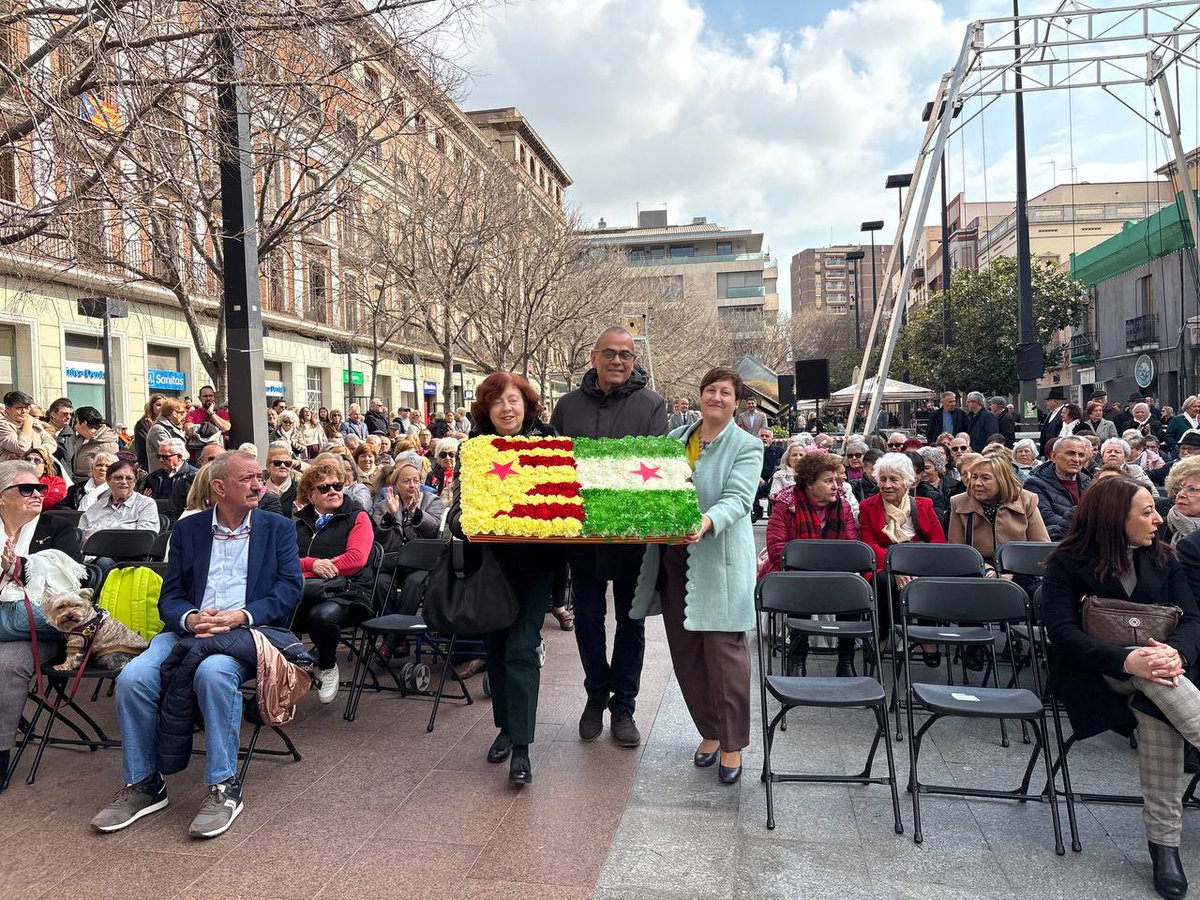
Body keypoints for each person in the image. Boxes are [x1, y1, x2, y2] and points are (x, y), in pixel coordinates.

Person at [90, 451, 303, 838]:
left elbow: (289, 590)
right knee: (132, 679)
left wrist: (240, 616)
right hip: (188, 632)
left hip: (246, 633)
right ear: (219, 487)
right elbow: (170, 597)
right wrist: (190, 618)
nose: (259, 485)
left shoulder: (278, 528)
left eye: (259, 477)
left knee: (214, 674)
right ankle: (144, 783)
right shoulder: (189, 530)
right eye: (248, 479)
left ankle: (224, 787)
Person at [1045, 478, 1200, 900]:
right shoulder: (1067, 562)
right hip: (1093, 673)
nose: (1157, 519)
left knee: (1158, 706)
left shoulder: (1164, 558)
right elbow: (1062, 633)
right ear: (1115, 518)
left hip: (1159, 675)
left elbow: (1192, 619)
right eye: (1147, 512)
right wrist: (1127, 660)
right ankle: (1164, 848)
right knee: (1155, 676)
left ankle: (1165, 850)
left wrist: (1177, 655)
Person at [631, 367, 759, 783]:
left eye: (726, 392)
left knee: (724, 656)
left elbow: (739, 498)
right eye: (710, 390)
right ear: (700, 395)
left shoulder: (747, 445)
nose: (716, 397)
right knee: (686, 654)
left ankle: (732, 744)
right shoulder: (675, 439)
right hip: (674, 560)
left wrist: (706, 521)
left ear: (736, 402)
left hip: (719, 561)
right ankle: (710, 730)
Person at [551, 325, 667, 748]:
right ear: (594, 357)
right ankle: (596, 694)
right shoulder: (567, 406)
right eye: (609, 353)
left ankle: (624, 706)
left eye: (625, 354)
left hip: (631, 535)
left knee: (631, 623)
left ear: (634, 360)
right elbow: (556, 467)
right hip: (582, 537)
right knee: (587, 619)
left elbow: (652, 465)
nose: (617, 360)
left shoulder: (652, 404)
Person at [447, 372, 563, 785]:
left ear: (527, 404)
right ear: (486, 409)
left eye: (513, 399)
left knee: (521, 647)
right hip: (489, 566)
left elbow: (565, 501)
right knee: (496, 648)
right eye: (496, 401)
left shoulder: (550, 442)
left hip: (536, 565)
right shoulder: (473, 449)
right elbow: (456, 509)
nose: (506, 408)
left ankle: (522, 748)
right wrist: (470, 521)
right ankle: (506, 728)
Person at [0, 460, 84, 779]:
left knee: (6, 665)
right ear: (1, 496)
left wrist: (19, 567)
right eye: (27, 488)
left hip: (42, 626)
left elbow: (71, 587)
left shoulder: (56, 528)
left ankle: (0, 752)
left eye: (40, 487)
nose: (38, 493)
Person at [763, 451, 860, 676]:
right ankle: (798, 657)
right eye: (828, 481)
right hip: (795, 574)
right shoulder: (785, 506)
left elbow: (851, 549)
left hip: (834, 574)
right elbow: (777, 551)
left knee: (855, 586)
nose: (836, 486)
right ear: (809, 483)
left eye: (836, 480)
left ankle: (846, 658)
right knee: (800, 585)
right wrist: (812, 567)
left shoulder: (843, 506)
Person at [292, 461, 374, 704]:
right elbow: (283, 560)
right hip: (306, 590)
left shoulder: (357, 517)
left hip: (348, 591)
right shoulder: (299, 523)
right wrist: (312, 564)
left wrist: (319, 568)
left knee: (322, 616)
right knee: (275, 609)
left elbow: (356, 559)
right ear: (310, 495)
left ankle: (327, 666)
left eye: (337, 485)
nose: (333, 491)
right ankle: (291, 666)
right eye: (324, 488)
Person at [857, 452, 947, 664]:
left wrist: (912, 567)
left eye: (894, 479)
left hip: (920, 564)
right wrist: (896, 568)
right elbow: (870, 545)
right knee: (883, 582)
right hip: (883, 566)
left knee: (924, 582)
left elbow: (938, 543)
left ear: (907, 481)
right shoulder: (868, 506)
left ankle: (926, 637)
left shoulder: (924, 505)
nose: (887, 485)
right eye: (883, 479)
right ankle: (882, 633)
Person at [948, 454, 1049, 570]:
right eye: (974, 477)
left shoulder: (1026, 500)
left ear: (1002, 480)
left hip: (1021, 568)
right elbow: (957, 551)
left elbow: (1040, 548)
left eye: (985, 478)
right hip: (976, 569)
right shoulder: (959, 502)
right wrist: (985, 568)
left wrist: (1012, 570)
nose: (977, 483)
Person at [1024, 435, 1092, 540]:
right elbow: (1046, 518)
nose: (1076, 459)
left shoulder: (1089, 481)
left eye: (1081, 455)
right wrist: (1084, 528)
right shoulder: (1034, 483)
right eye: (1070, 453)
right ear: (1054, 456)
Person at [79, 460, 159, 541]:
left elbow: (144, 538)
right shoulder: (95, 508)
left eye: (129, 478)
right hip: (91, 548)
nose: (124, 482)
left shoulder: (145, 504)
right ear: (108, 480)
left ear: (135, 482)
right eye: (118, 478)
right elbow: (79, 537)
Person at [142, 438, 197, 513]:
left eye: (165, 457)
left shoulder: (194, 476)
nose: (161, 460)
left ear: (179, 457)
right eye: (159, 456)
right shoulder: (153, 477)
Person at [0, 391, 57, 462]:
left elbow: (51, 442)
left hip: (36, 467)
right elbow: (21, 447)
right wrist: (28, 423)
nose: (24, 411)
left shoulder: (34, 423)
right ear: (7, 409)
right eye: (19, 408)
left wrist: (37, 452)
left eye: (27, 408)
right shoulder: (3, 425)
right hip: (12, 467)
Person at [184, 385, 231, 462]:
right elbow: (189, 432)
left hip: (218, 455)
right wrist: (213, 429)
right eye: (205, 396)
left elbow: (226, 427)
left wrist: (211, 413)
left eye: (210, 396)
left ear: (214, 397)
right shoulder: (192, 414)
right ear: (199, 398)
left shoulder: (222, 413)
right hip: (197, 457)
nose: (208, 398)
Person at [145, 399, 189, 474]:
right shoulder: (158, 429)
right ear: (174, 413)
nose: (185, 415)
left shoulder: (175, 428)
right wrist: (186, 454)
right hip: (161, 475)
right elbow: (170, 452)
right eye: (182, 412)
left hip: (175, 473)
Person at [916, 446, 952, 533]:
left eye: (927, 468)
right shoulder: (915, 489)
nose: (923, 472)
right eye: (920, 469)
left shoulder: (953, 485)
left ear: (937, 467)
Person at [753, 428, 782, 523]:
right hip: (756, 480)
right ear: (757, 437)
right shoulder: (751, 451)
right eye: (762, 436)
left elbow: (779, 467)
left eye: (767, 436)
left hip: (773, 481)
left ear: (772, 439)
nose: (764, 438)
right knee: (752, 486)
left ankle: (772, 515)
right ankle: (756, 510)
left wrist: (771, 479)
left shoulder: (779, 451)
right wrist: (756, 477)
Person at [262, 442, 299, 515]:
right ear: (268, 466)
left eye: (287, 463)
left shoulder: (300, 491)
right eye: (277, 463)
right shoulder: (259, 493)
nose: (283, 466)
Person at [133, 395, 165, 471]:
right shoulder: (142, 424)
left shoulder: (166, 422)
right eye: (158, 405)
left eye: (164, 405)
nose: (161, 408)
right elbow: (144, 444)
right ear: (151, 406)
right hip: (149, 463)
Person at [45, 397, 75, 466]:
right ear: (53, 414)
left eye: (70, 414)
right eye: (65, 414)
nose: (69, 417)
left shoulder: (72, 434)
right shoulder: (41, 431)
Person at [1039, 387, 1066, 455]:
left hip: (1056, 450)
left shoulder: (1064, 412)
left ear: (1055, 401)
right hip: (1048, 451)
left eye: (1048, 401)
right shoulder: (1051, 413)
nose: (1046, 403)